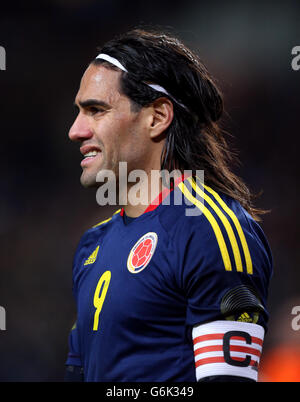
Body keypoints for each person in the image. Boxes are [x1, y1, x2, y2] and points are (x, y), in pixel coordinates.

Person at [65, 29, 272, 382]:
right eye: (79, 112)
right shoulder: (92, 246)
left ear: (158, 117)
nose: (75, 130)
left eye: (96, 110)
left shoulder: (210, 231)